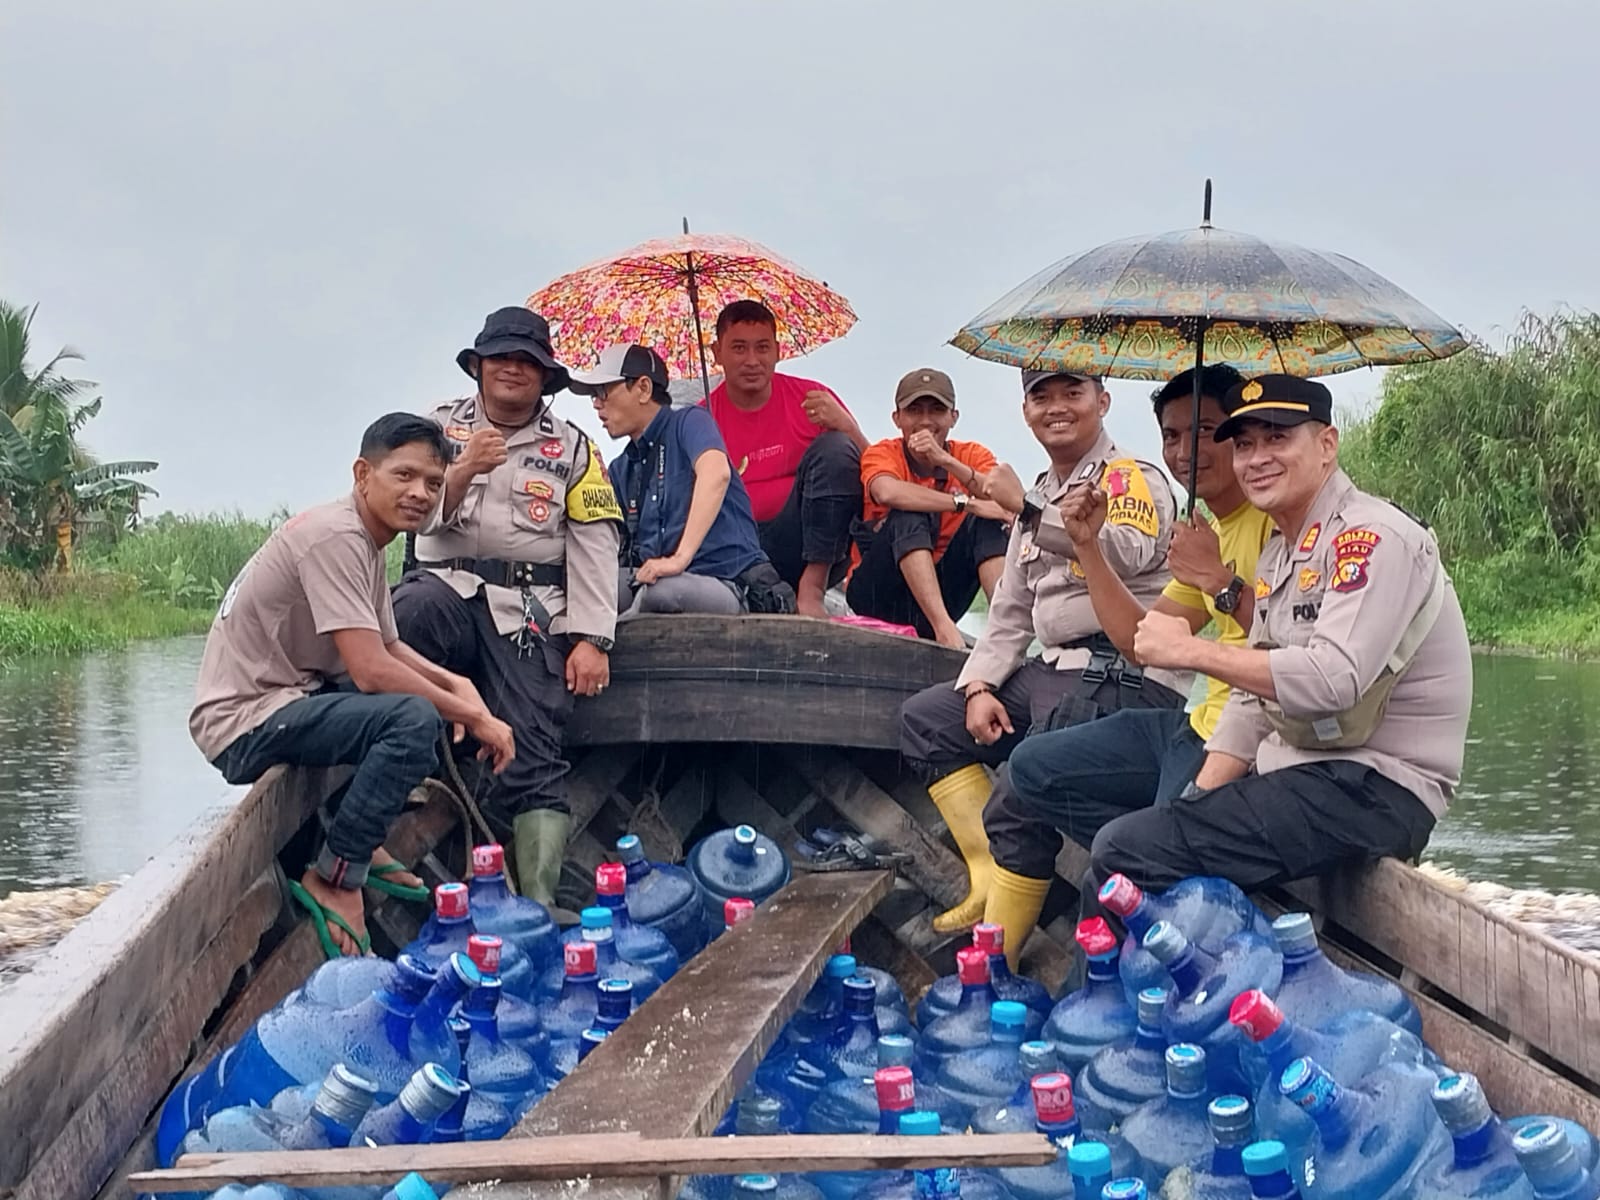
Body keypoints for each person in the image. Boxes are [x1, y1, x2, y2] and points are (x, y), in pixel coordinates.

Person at [1090, 373, 1473, 903]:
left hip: (1375, 788)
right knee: (1132, 847)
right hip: (1306, 772)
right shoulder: (1281, 552)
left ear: (1327, 446)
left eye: (1278, 438)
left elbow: (1332, 681)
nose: (1256, 458)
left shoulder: (1372, 539)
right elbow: (1252, 701)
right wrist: (1196, 798)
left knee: (1123, 851)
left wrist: (1192, 652)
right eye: (1244, 444)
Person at [189, 414, 516, 957]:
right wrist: (473, 716)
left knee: (415, 703)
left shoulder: (365, 538)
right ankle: (338, 876)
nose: (420, 493)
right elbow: (370, 670)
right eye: (404, 475)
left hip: (291, 700)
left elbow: (388, 646)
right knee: (412, 719)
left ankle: (358, 842)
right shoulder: (336, 536)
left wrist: (459, 685)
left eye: (434, 483)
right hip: (243, 722)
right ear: (363, 474)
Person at [988, 365, 1275, 954]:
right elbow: (1138, 639)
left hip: (1240, 741)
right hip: (1191, 726)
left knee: (1120, 858)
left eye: (1208, 432)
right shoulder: (1208, 528)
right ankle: (1153, 844)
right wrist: (1089, 547)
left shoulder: (1275, 521)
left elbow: (1298, 646)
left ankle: (1128, 930)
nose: (1184, 450)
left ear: (1242, 438)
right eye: (1171, 436)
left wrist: (1218, 580)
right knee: (1030, 768)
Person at [899, 367, 1187, 940]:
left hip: (1123, 674)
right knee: (926, 721)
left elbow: (1125, 554)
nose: (1057, 407)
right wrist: (979, 686)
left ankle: (1000, 957)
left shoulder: (1127, 478)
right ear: (1026, 411)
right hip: (1051, 668)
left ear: (1102, 401)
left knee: (1020, 783)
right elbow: (1008, 608)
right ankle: (987, 875)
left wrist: (1027, 509)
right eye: (1041, 396)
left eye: (1072, 393)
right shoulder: (1040, 486)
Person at [392, 307, 622, 910]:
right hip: (443, 592)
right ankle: (411, 769)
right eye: (502, 358)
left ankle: (538, 909)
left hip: (526, 610)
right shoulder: (434, 429)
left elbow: (595, 543)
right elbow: (410, 517)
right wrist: (463, 468)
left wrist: (592, 638)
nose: (513, 369)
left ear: (545, 376)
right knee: (408, 613)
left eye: (527, 361)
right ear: (479, 367)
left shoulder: (575, 448)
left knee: (534, 749)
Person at [571, 343, 794, 616]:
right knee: (586, 590)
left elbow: (717, 474)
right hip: (656, 580)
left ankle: (616, 639)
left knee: (660, 593)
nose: (596, 403)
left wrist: (679, 560)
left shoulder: (690, 422)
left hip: (728, 583)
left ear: (643, 388)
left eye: (603, 391)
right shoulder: (622, 468)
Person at [705, 299, 866, 617]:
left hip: (807, 546)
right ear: (716, 353)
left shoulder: (813, 401)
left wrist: (848, 427)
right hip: (738, 552)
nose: (752, 360)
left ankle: (812, 590)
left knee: (836, 447)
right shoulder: (701, 420)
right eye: (738, 348)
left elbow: (877, 474)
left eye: (762, 348)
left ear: (778, 351)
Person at [845, 367, 1015, 648]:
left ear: (953, 417)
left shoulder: (972, 454)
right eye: (914, 411)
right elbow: (887, 491)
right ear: (897, 418)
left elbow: (1005, 501)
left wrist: (945, 461)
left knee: (989, 523)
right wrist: (966, 504)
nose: (925, 421)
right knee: (909, 513)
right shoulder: (883, 453)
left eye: (936, 411)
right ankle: (945, 631)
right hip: (879, 594)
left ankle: (1005, 634)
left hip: (945, 589)